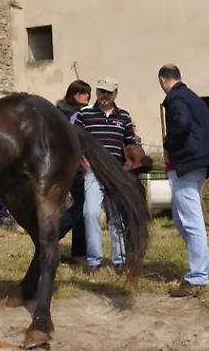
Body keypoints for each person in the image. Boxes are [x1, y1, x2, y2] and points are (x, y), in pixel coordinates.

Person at [158, 64, 209, 298]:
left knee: (191, 221)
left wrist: (167, 145)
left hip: (187, 162)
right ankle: (208, 265)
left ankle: (197, 277)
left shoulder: (176, 98)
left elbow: (182, 124)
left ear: (162, 80)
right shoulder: (192, 97)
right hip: (199, 160)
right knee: (180, 220)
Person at [73, 77, 135, 274]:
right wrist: (82, 160)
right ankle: (94, 260)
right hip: (93, 171)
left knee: (117, 217)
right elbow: (75, 140)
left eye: (109, 92)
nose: (104, 96)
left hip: (116, 172)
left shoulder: (124, 115)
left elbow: (131, 143)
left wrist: (131, 165)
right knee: (90, 213)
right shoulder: (84, 114)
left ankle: (120, 260)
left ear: (115, 93)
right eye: (101, 91)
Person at [55, 80, 91, 263]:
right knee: (82, 206)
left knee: (82, 206)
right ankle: (52, 235)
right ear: (74, 94)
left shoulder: (83, 112)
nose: (87, 96)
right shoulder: (63, 114)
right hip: (68, 164)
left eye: (89, 93)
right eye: (84, 92)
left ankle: (79, 252)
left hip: (79, 166)